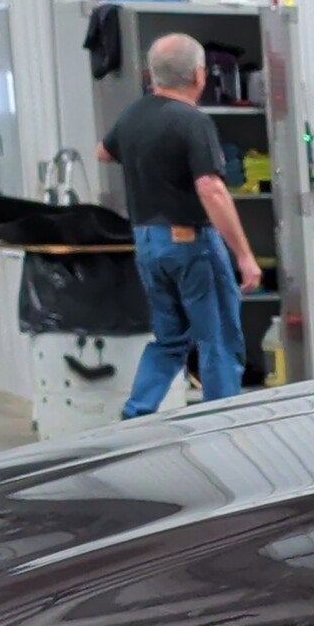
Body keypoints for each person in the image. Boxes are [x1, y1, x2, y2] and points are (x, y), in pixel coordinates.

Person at [101, 34, 261, 413]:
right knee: (217, 339)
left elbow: (103, 152)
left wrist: (149, 162)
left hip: (147, 244)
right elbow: (211, 189)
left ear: (151, 75)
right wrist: (244, 255)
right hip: (191, 243)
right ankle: (221, 422)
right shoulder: (192, 121)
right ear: (199, 75)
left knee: (170, 340)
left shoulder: (133, 116)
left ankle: (136, 414)